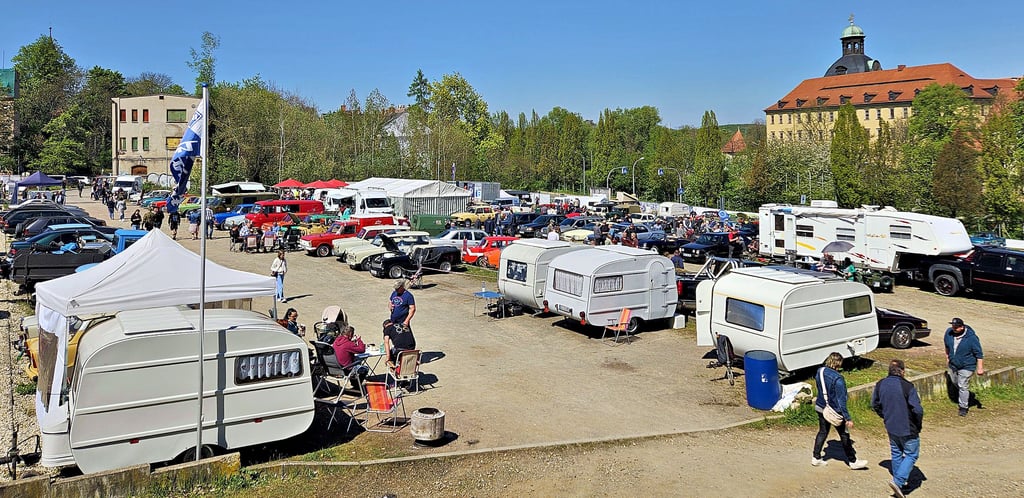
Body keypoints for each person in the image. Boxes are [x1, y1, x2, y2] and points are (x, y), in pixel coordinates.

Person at [872, 359, 924, 498]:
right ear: (902, 371)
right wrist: (918, 424)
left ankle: (899, 483)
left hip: (891, 425)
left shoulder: (880, 384)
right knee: (911, 454)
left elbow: (875, 404)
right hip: (908, 427)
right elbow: (917, 409)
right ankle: (898, 481)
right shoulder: (907, 386)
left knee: (896, 453)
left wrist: (885, 416)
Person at [812, 352, 867, 470]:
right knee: (844, 434)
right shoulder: (838, 379)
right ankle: (852, 461)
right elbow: (841, 401)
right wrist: (847, 418)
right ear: (839, 364)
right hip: (834, 410)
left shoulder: (820, 371)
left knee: (822, 432)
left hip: (821, 406)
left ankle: (816, 457)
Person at [944, 317, 984, 416]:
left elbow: (979, 354)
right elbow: (947, 346)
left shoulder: (971, 338)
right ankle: (966, 396)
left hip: (967, 366)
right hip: (953, 364)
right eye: (953, 326)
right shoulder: (949, 333)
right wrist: (948, 357)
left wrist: (980, 368)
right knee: (955, 382)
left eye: (956, 327)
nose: (954, 328)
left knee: (962, 385)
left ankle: (963, 407)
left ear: (962, 327)